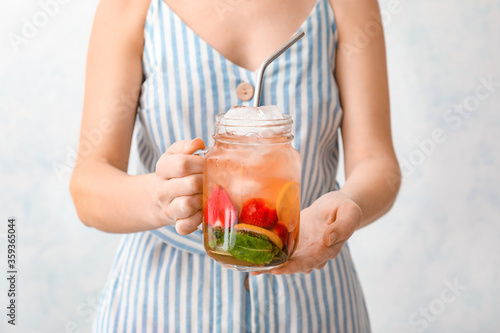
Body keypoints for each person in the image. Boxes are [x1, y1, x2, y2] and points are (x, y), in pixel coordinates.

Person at [70, 0, 401, 331]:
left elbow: (378, 163)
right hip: (162, 305)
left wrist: (346, 205)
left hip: (313, 302)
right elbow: (88, 183)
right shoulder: (129, 6)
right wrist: (158, 197)